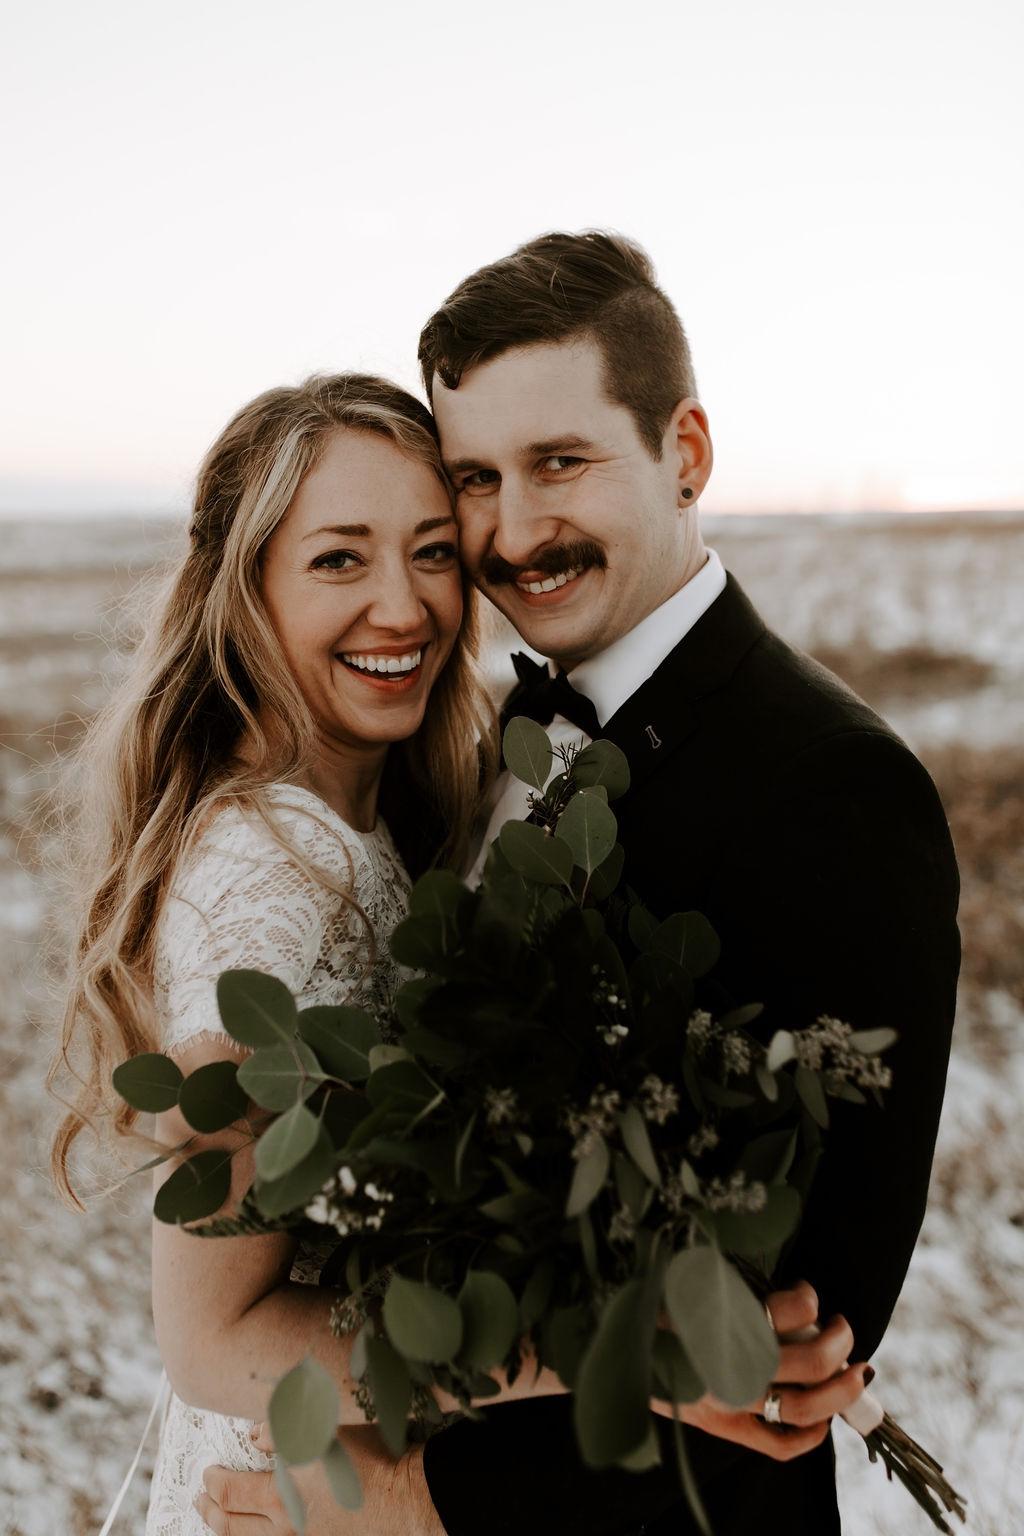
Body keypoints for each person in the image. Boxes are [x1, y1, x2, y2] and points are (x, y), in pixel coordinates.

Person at [194, 236, 949, 1536]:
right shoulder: (496, 742)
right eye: (476, 478)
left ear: (688, 453)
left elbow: (787, 1351)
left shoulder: (832, 788)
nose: (515, 529)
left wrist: (417, 1497)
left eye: (562, 462)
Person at [48, 374, 502, 1534]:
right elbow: (214, 1341)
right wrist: (598, 1353)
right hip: (292, 1495)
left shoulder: (353, 822)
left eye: (433, 551)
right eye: (339, 560)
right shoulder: (266, 879)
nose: (402, 607)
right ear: (245, 592)